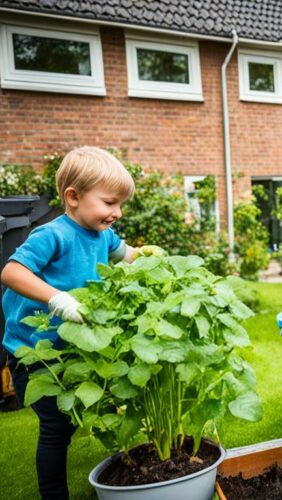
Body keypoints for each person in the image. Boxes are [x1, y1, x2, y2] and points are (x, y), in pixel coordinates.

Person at [1, 146, 160, 499]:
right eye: (109, 203)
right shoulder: (52, 235)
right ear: (73, 197)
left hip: (76, 344)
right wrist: (57, 298)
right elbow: (11, 271)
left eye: (120, 204)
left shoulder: (102, 233)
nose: (117, 212)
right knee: (56, 426)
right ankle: (54, 493)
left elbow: (128, 256)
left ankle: (117, 470)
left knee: (91, 409)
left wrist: (148, 257)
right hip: (35, 350)